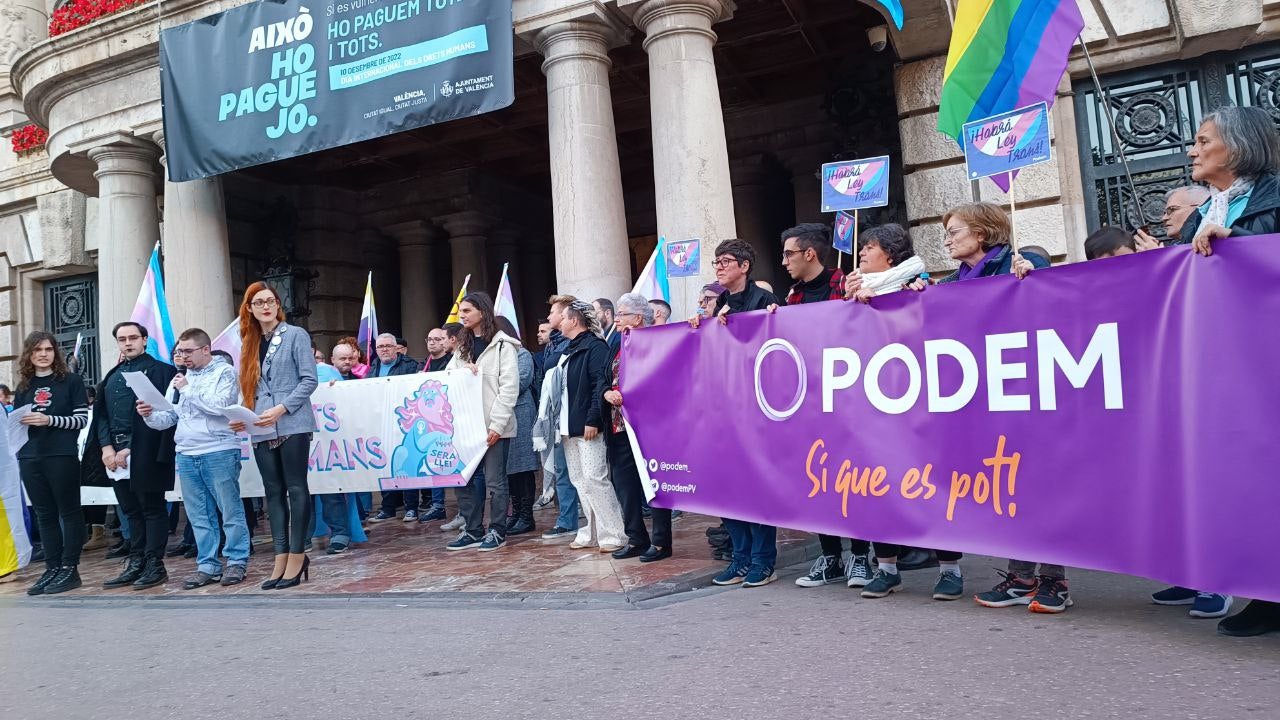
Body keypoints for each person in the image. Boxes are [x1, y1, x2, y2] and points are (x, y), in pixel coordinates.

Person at [898, 202, 1059, 608]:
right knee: (1010, 490)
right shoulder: (952, 282)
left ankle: (1056, 582)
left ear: (982, 234)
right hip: (982, 403)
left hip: (1024, 397)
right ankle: (1022, 577)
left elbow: (1055, 303)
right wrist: (916, 297)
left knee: (1038, 490)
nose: (947, 239)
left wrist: (1035, 276)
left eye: (954, 231)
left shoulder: (1020, 263)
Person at [1173, 106, 1280, 636]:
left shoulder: (1274, 198)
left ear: (1237, 147)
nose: (1192, 150)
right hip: (1220, 368)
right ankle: (1266, 593)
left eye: (1202, 140)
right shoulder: (1202, 211)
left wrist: (1242, 247)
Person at [766, 223, 875, 588]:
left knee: (853, 483)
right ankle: (830, 558)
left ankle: (861, 557)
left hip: (848, 404)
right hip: (809, 406)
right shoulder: (793, 297)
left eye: (788, 254)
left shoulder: (847, 285)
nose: (783, 262)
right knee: (818, 483)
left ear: (809, 254)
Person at [693, 239, 781, 588]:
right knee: (727, 489)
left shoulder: (765, 301)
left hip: (756, 413)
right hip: (724, 413)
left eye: (726, 261)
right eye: (716, 261)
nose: (719, 266)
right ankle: (739, 558)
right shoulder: (720, 308)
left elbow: (776, 349)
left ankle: (763, 561)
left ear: (745, 266)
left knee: (756, 489)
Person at [138, 328, 249, 589]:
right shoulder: (180, 379)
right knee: (199, 514)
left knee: (229, 509)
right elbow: (169, 418)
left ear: (205, 349)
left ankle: (237, 561)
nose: (182, 357)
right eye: (179, 352)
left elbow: (220, 407)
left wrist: (187, 390)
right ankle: (207, 564)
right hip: (187, 453)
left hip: (218, 449)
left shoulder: (225, 373)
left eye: (187, 351)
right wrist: (148, 414)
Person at [232, 282, 318, 590]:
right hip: (260, 426)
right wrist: (244, 416)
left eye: (270, 301)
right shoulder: (249, 342)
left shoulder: (295, 335)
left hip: (292, 421)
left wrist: (282, 408)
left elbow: (309, 380)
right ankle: (280, 557)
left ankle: (298, 555)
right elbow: (251, 387)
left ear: (277, 305)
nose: (265, 307)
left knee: (296, 488)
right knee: (272, 492)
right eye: (258, 303)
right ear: (250, 310)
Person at [98, 321, 178, 591]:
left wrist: (131, 447)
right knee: (130, 510)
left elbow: (167, 414)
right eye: (122, 339)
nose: (128, 343)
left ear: (145, 339)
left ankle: (155, 564)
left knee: (152, 509)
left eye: (133, 337)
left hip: (146, 450)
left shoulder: (164, 371)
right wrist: (107, 447)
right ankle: (136, 561)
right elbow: (101, 415)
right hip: (114, 454)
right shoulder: (111, 375)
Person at [15, 331, 89, 595]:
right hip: (29, 456)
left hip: (61, 455)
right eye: (37, 350)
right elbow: (17, 423)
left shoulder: (70, 381)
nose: (43, 354)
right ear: (29, 354)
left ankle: (70, 568)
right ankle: (52, 567)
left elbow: (81, 420)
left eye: (48, 349)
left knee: (68, 511)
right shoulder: (24, 386)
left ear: (55, 352)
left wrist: (50, 420)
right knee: (44, 514)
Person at [446, 292, 520, 552]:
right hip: (467, 426)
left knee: (495, 481)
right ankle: (473, 529)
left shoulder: (503, 345)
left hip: (493, 427)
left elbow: (509, 388)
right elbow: (447, 377)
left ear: (482, 312)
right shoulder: (463, 348)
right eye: (461, 312)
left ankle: (498, 530)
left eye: (467, 311)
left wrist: (497, 426)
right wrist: (462, 370)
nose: (462, 316)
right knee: (465, 479)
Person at [603, 293, 671, 561]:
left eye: (622, 314)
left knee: (655, 483)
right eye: (617, 313)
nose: (616, 319)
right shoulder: (616, 344)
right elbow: (604, 377)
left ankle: (662, 542)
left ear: (638, 318)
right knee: (624, 483)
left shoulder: (658, 342)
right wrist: (607, 393)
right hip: (620, 424)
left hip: (650, 426)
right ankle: (636, 538)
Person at [556, 300, 626, 552]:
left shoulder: (595, 346)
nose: (560, 322)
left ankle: (614, 534)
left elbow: (600, 383)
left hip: (587, 423)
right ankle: (593, 531)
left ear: (574, 320)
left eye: (563, 317)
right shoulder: (568, 348)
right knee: (579, 480)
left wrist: (593, 418)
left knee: (595, 477)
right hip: (568, 424)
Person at [366, 332, 425, 522]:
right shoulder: (373, 368)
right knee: (385, 465)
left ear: (395, 348)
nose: (384, 350)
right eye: (380, 347)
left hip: (404, 422)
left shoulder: (409, 365)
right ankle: (388, 508)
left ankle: (411, 508)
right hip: (382, 422)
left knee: (406, 464)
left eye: (387, 346)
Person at [537, 296, 580, 533]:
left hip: (573, 414)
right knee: (561, 468)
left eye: (553, 312)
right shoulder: (553, 342)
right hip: (557, 414)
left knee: (580, 471)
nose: (550, 317)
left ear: (565, 316)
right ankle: (567, 520)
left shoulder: (570, 343)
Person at [495, 317, 539, 536]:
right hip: (503, 415)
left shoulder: (521, 354)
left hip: (520, 412)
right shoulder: (496, 357)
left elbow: (520, 381)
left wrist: (493, 385)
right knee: (508, 469)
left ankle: (526, 516)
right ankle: (516, 513)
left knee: (522, 466)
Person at [843, 222, 927, 301]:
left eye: (869, 248)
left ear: (890, 255)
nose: (861, 253)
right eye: (862, 248)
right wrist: (848, 298)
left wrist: (878, 301)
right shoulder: (855, 284)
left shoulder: (916, 285)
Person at [1135, 185, 1209, 249]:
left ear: (1199, 207)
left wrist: (1157, 257)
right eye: (1165, 213)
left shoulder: (1214, 236)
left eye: (1172, 209)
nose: (1164, 218)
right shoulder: (1176, 246)